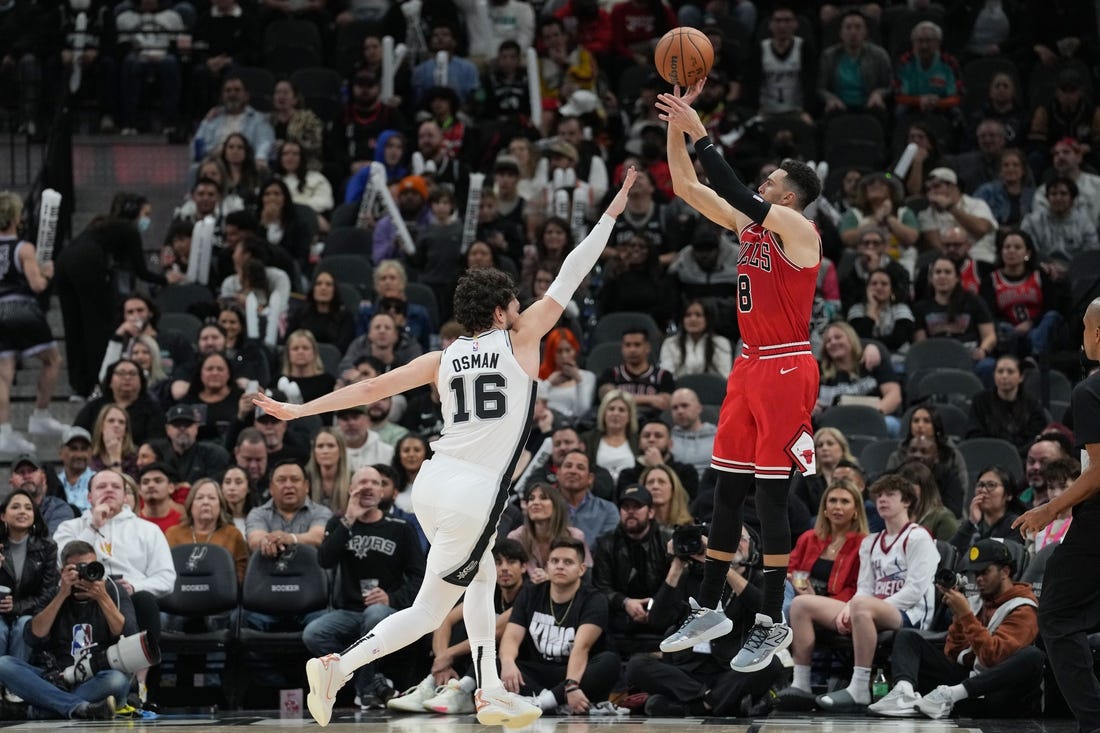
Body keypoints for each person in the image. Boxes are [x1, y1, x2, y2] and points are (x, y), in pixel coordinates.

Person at [253, 167, 640, 728]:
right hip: (475, 490)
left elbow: (368, 388)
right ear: (505, 310)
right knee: (432, 608)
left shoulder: (444, 356)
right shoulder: (522, 337)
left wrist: (299, 411)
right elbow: (571, 272)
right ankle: (340, 667)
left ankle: (487, 694)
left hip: (433, 483)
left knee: (480, 578)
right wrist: (609, 213)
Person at [655, 81, 822, 671]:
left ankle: (773, 619)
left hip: (786, 366)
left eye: (772, 181)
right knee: (726, 490)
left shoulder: (801, 233)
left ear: (792, 197)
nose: (762, 184)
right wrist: (678, 125)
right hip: (749, 366)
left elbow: (727, 185)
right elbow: (686, 186)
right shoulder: (752, 230)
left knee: (771, 500)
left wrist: (702, 130)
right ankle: (709, 604)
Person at [1013, 298, 1100, 733]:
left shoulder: (1090, 390)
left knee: (1058, 615)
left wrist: (1049, 509)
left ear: (1096, 336)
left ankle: (1093, 719)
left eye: (1084, 329)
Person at [779, 475, 938, 712]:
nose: (883, 500)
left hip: (908, 613)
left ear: (906, 502)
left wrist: (858, 607)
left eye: (890, 495)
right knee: (801, 605)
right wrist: (848, 609)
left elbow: (914, 591)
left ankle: (859, 687)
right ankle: (802, 684)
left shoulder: (917, 536)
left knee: (862, 605)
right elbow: (864, 588)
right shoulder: (872, 542)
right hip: (869, 609)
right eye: (880, 495)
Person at [867, 539, 1043, 719]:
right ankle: (903, 693)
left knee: (1032, 656)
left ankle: (949, 696)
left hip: (998, 694)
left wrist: (966, 615)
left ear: (1005, 571)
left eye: (985, 572)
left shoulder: (1024, 608)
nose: (979, 579)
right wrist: (959, 617)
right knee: (908, 638)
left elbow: (993, 658)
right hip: (966, 688)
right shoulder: (976, 602)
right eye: (976, 574)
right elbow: (952, 653)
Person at [302, 466, 426, 709]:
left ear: (382, 492)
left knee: (375, 615)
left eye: (375, 482)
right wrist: (349, 518)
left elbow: (419, 576)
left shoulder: (400, 527)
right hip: (348, 611)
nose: (368, 486)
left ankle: (365, 690)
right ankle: (372, 681)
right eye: (362, 482)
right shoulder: (339, 522)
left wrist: (391, 598)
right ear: (351, 490)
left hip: (385, 612)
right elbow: (324, 560)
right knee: (314, 633)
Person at [0, 540, 136, 720]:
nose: (84, 574)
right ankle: (79, 707)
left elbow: (128, 635)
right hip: (57, 679)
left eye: (90, 567)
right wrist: (62, 594)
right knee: (4, 664)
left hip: (96, 678)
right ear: (62, 571)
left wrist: (102, 598)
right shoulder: (54, 594)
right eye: (76, 569)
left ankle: (40, 710)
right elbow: (33, 636)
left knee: (116, 681)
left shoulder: (113, 591)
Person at [498, 537, 620, 715]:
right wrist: (508, 663)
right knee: (495, 661)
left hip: (575, 674)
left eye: (568, 562)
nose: (560, 566)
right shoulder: (530, 593)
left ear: (581, 569)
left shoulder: (594, 599)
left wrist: (570, 686)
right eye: (555, 561)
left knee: (609, 661)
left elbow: (582, 648)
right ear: (547, 566)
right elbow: (511, 637)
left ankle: (541, 703)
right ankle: (553, 703)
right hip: (539, 672)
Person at [0, 191, 67, 453]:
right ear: (17, 218)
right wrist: (46, 274)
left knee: (3, 373)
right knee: (52, 360)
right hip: (20, 307)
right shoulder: (24, 248)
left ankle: (3, 431)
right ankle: (40, 415)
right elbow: (37, 285)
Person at [592, 485, 673, 643]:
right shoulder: (606, 543)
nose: (630, 511)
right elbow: (601, 587)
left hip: (662, 614)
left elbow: (675, 587)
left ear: (650, 512)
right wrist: (625, 603)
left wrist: (655, 605)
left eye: (637, 506)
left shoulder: (667, 543)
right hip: (618, 616)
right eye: (625, 507)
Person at [785, 478, 868, 619]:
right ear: (824, 508)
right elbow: (790, 569)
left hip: (837, 605)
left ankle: (776, 632)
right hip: (802, 596)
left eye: (845, 501)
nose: (837, 507)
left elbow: (856, 588)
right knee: (782, 587)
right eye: (833, 501)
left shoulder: (863, 544)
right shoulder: (809, 538)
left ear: (856, 510)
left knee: (797, 604)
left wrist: (816, 601)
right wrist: (801, 587)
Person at [0, 488, 59, 661]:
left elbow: (47, 594)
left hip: (30, 612)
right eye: (15, 507)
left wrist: (15, 607)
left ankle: (16, 682)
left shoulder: (47, 547)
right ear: (3, 515)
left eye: (27, 508)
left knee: (24, 625)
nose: (22, 512)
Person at [164, 477, 249, 583]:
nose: (206, 502)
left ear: (220, 505)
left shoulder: (233, 534)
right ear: (191, 505)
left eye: (212, 498)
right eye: (199, 498)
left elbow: (241, 574)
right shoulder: (173, 534)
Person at [507, 483, 591, 585]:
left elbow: (586, 577)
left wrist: (551, 578)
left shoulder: (574, 536)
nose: (535, 503)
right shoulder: (517, 537)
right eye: (531, 499)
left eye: (543, 498)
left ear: (556, 505)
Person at [950, 467, 1026, 551]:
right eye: (980, 485)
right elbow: (951, 552)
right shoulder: (973, 524)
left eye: (991, 485)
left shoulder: (1015, 525)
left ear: (1009, 495)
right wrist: (971, 522)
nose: (983, 490)